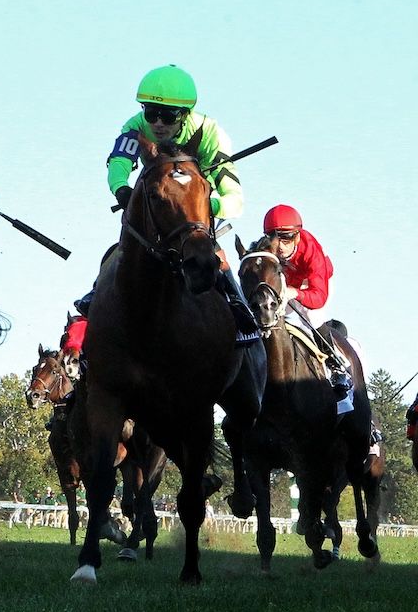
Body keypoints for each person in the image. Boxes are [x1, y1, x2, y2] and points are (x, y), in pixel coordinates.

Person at [98, 63, 257, 337]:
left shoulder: (209, 133)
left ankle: (237, 304)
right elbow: (119, 163)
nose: (158, 123)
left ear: (185, 115)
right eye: (151, 113)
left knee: (216, 256)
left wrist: (204, 206)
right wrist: (121, 189)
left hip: (194, 222)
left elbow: (235, 200)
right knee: (119, 252)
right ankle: (95, 299)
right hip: (154, 216)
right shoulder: (136, 127)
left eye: (168, 116)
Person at [262, 203, 352, 398]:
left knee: (311, 315)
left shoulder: (312, 251)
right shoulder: (268, 250)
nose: (281, 246)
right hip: (285, 284)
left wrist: (296, 293)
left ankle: (336, 365)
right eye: (275, 238)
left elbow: (319, 297)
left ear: (298, 235)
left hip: (312, 285)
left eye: (288, 238)